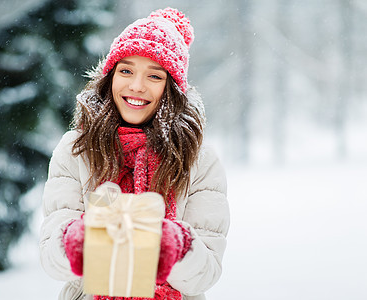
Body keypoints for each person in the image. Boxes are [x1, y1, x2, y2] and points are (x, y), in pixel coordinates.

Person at [39, 7, 230, 300]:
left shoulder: (199, 160)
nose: (137, 86)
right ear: (110, 76)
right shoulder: (76, 149)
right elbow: (52, 258)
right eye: (126, 70)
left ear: (172, 89)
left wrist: (176, 246)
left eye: (154, 76)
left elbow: (206, 272)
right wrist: (76, 240)